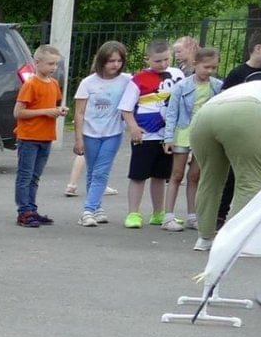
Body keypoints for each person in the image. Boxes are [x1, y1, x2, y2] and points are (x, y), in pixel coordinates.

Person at [186, 73, 261, 250]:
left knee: (210, 180)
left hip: (206, 115)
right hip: (246, 113)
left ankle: (204, 238)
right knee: (250, 183)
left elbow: (238, 152)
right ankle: (235, 242)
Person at [72, 41, 136, 228]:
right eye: (110, 61)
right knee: (93, 171)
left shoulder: (127, 80)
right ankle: (97, 207)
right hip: (90, 133)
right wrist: (78, 138)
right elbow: (79, 113)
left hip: (113, 133)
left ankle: (88, 210)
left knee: (101, 172)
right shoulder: (88, 83)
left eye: (119, 60)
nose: (115, 65)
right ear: (101, 61)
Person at [162, 46, 222, 233]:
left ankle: (192, 216)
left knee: (195, 175)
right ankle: (168, 216)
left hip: (204, 134)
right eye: (206, 67)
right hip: (184, 132)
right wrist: (168, 137)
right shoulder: (182, 86)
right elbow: (172, 113)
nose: (210, 71)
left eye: (213, 67)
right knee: (177, 174)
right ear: (195, 64)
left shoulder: (217, 86)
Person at [121, 40, 179, 228]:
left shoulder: (177, 75)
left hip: (167, 136)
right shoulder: (138, 79)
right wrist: (134, 127)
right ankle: (133, 213)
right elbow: (126, 108)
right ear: (148, 59)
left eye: (166, 59)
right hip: (145, 135)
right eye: (157, 61)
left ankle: (158, 213)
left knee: (160, 176)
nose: (162, 64)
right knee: (138, 175)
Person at [12, 44, 66, 229]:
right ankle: (24, 212)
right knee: (25, 176)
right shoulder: (30, 84)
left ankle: (31, 209)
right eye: (50, 63)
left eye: (56, 64)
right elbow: (18, 112)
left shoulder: (53, 84)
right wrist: (47, 111)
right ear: (37, 62)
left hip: (45, 136)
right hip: (29, 137)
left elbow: (53, 104)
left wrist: (59, 110)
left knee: (35, 176)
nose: (53, 68)